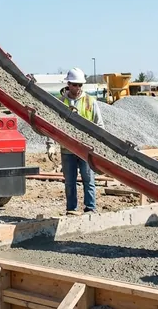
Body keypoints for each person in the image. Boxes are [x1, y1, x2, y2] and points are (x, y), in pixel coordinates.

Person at [58, 67, 104, 215]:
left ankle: (90, 208)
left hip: (86, 149)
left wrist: (97, 145)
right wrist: (50, 144)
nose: (77, 88)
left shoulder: (90, 102)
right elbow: (52, 124)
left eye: (80, 85)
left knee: (88, 180)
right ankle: (71, 209)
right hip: (67, 149)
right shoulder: (60, 102)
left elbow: (100, 125)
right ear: (68, 84)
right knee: (70, 182)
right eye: (75, 84)